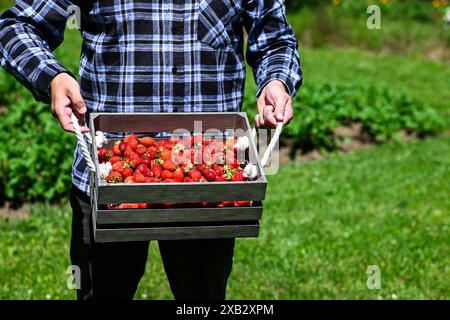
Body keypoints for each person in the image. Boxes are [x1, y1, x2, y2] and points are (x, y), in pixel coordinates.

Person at [0, 0, 302, 300]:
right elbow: (16, 28)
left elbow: (274, 38)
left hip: (206, 184)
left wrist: (276, 79)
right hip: (108, 182)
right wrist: (52, 77)